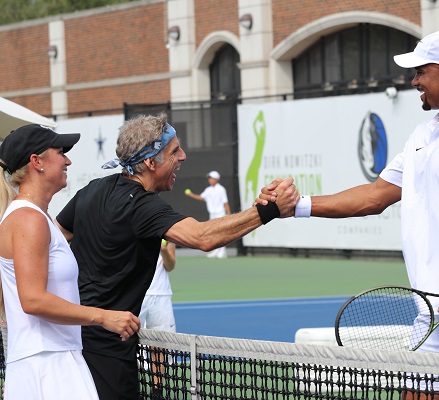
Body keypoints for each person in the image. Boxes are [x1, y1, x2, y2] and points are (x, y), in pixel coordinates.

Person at [259, 28, 439, 363]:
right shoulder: (423, 135)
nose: (414, 81)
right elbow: (375, 195)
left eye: (420, 72)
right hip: (432, 304)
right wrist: (296, 206)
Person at [55, 113, 299, 400]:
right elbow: (202, 237)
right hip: (109, 350)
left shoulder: (93, 189)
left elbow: (56, 238)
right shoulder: (143, 206)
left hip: (71, 339)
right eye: (174, 151)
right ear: (150, 162)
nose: (182, 156)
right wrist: (268, 210)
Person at [0, 124, 140, 400]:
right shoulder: (29, 220)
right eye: (61, 152)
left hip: (47, 362)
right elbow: (33, 300)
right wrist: (104, 316)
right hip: (49, 365)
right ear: (36, 162)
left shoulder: (34, 218)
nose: (68, 160)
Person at [139, 239, 177, 397]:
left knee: (158, 346)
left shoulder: (168, 232)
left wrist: (163, 250)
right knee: (128, 342)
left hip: (160, 296)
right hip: (136, 294)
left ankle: (157, 391)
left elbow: (170, 265)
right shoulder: (132, 224)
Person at [185, 170, 231, 258]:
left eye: (211, 178)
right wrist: (191, 194)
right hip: (212, 214)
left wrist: (228, 214)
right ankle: (215, 251)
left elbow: (225, 202)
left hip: (220, 213)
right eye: (209, 178)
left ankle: (222, 252)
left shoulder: (221, 189)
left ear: (217, 179)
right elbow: (201, 197)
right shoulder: (208, 190)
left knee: (221, 233)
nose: (210, 180)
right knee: (213, 233)